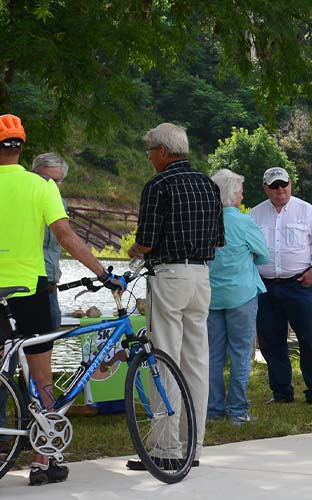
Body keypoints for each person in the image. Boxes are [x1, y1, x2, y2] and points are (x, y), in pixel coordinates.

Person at [0, 115, 122, 485]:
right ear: (21, 147)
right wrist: (103, 273)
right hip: (30, 290)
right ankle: (43, 461)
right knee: (41, 378)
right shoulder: (41, 187)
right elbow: (67, 236)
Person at [126, 122, 223, 470]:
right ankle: (192, 446)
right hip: (201, 275)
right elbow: (217, 239)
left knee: (163, 357)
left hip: (169, 275)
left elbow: (147, 241)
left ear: (163, 152)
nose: (150, 156)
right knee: (197, 360)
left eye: (150, 150)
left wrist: (133, 251)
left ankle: (165, 448)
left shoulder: (158, 185)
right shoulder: (209, 185)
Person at [250, 167, 312, 405]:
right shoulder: (254, 215)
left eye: (283, 184)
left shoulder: (306, 211)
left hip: (299, 284)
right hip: (265, 286)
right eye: (274, 186)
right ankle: (281, 392)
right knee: (271, 340)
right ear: (266, 188)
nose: (280, 190)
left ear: (291, 183)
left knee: (309, 338)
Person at [206, 169, 269, 425]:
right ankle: (238, 410)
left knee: (212, 355)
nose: (243, 195)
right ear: (233, 194)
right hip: (242, 295)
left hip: (211, 295)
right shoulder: (244, 223)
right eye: (241, 190)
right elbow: (264, 255)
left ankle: (212, 409)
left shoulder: (204, 221)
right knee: (242, 353)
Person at [31, 153, 69, 332]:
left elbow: (65, 240)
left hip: (51, 288)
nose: (51, 185)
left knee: (49, 343)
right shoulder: (24, 201)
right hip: (27, 287)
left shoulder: (61, 204)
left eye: (57, 180)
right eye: (45, 179)